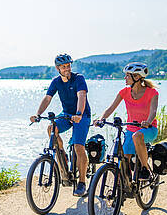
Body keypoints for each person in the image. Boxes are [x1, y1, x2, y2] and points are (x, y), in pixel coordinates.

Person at [30, 53, 91, 196]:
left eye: (68, 66)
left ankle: (82, 183)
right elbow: (47, 98)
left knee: (78, 146)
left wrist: (79, 114)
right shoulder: (56, 82)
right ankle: (62, 155)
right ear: (58, 68)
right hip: (66, 115)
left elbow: (81, 96)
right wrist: (38, 114)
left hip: (82, 116)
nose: (67, 69)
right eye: (64, 67)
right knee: (51, 128)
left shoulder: (79, 78)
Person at [94, 62, 158, 180]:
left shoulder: (152, 92)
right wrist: (101, 119)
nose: (125, 78)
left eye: (128, 75)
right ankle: (124, 185)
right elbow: (111, 108)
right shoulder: (124, 92)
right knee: (124, 159)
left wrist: (148, 121)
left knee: (137, 136)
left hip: (149, 129)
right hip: (130, 130)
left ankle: (145, 169)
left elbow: (153, 111)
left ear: (137, 77)